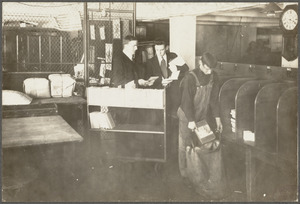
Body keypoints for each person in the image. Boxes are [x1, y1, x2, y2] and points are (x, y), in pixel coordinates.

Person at [177, 52, 223, 179]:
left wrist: (217, 118)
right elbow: (186, 101)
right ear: (200, 64)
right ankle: (184, 175)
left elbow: (214, 99)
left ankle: (198, 175)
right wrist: (191, 120)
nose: (209, 72)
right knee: (185, 144)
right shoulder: (190, 77)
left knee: (202, 143)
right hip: (187, 116)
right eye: (206, 68)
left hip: (202, 115)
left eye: (211, 69)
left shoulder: (214, 77)